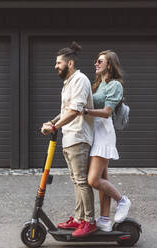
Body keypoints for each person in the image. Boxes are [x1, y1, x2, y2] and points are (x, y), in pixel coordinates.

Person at [41, 41, 97, 237]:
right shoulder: (68, 83)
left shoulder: (80, 80)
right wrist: (52, 122)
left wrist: (55, 126)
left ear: (70, 63)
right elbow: (65, 111)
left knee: (82, 181)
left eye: (58, 63)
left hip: (79, 136)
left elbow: (75, 111)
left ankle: (89, 222)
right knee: (76, 181)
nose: (56, 66)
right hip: (69, 137)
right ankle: (79, 218)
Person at [82, 50, 131, 232]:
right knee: (103, 178)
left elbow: (107, 112)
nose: (96, 63)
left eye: (100, 61)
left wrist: (85, 111)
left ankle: (122, 200)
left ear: (109, 65)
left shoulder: (115, 85)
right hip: (95, 133)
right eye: (96, 61)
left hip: (104, 133)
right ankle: (104, 219)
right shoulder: (98, 85)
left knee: (93, 180)